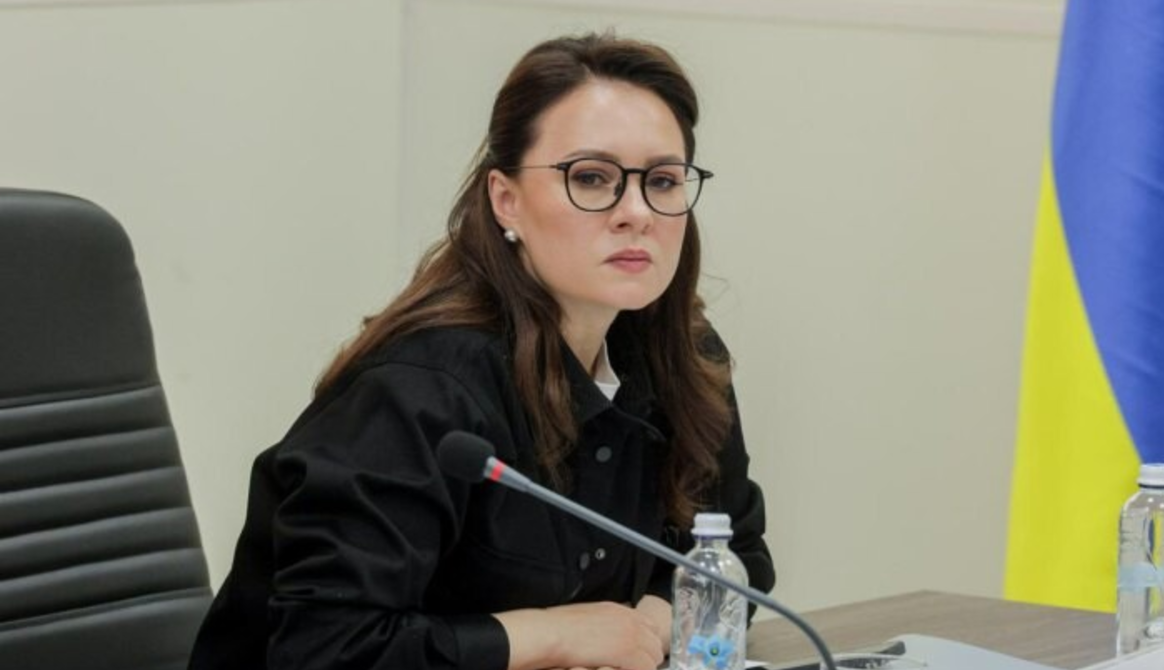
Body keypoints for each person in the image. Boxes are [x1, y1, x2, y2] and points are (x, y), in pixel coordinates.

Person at [187, 32, 773, 670]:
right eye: (591, 178)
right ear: (505, 199)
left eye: (662, 181)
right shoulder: (420, 390)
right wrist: (554, 636)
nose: (637, 212)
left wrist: (649, 627)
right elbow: (324, 649)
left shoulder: (682, 358)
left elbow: (736, 551)